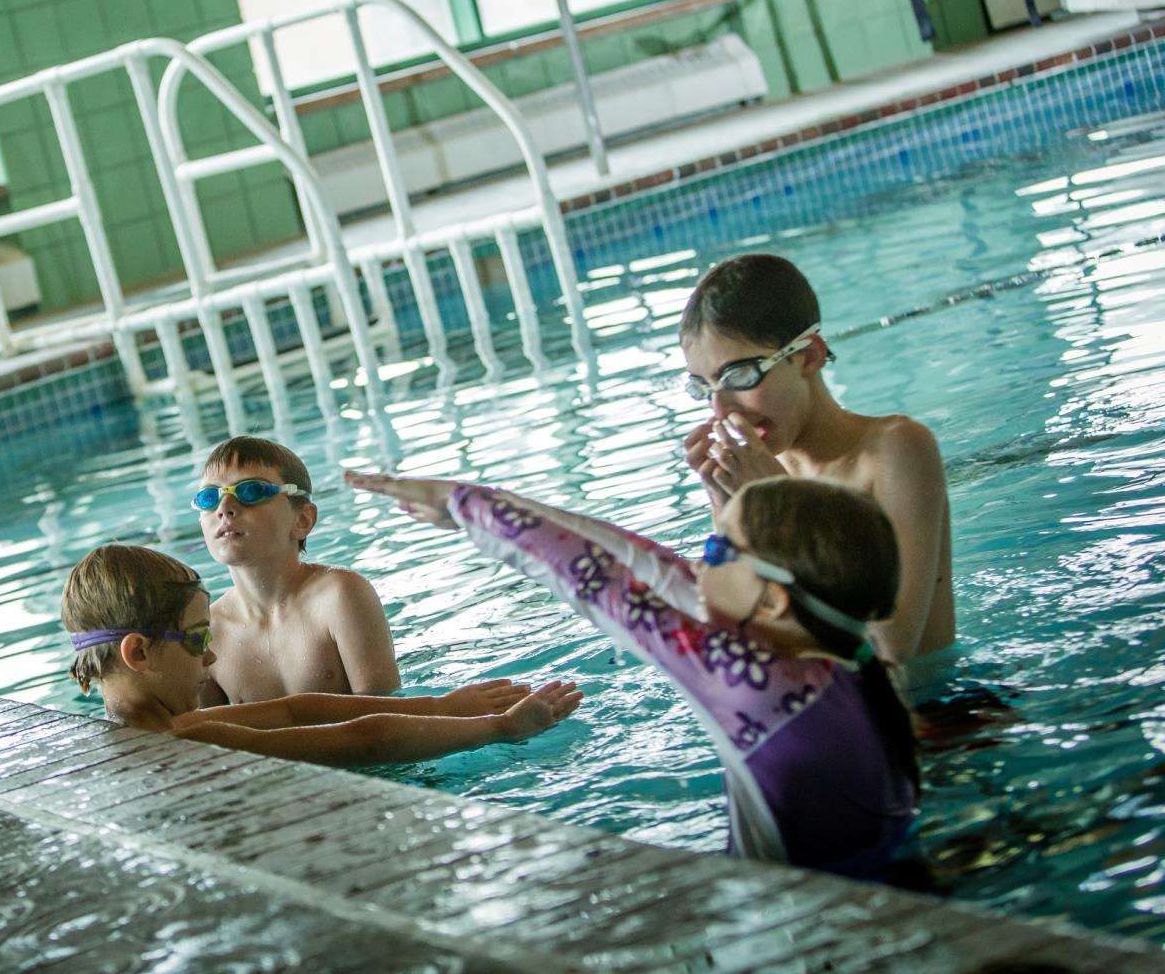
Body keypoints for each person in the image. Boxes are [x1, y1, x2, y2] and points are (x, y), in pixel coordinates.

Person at [346, 470, 919, 879]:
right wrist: (471, 506)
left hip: (794, 938)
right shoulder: (846, 657)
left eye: (719, 550)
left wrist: (469, 503)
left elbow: (598, 581)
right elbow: (648, 565)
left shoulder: (757, 685)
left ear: (771, 600)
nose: (697, 562)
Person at [675, 254, 955, 677]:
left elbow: (890, 652)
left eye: (740, 376)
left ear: (808, 356)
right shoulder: (754, 472)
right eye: (704, 388)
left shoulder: (895, 450)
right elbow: (744, 638)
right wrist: (725, 506)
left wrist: (784, 504)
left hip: (939, 715)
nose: (722, 409)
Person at [62, 542, 582, 767]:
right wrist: (500, 729)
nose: (210, 662)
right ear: (139, 653)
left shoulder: (157, 729)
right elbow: (365, 741)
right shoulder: (181, 744)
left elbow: (298, 710)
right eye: (199, 640)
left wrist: (444, 706)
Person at [193, 436, 398, 705]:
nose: (224, 508)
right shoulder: (207, 632)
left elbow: (388, 719)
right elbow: (209, 740)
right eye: (209, 498)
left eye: (251, 491)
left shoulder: (340, 596)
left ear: (302, 519)